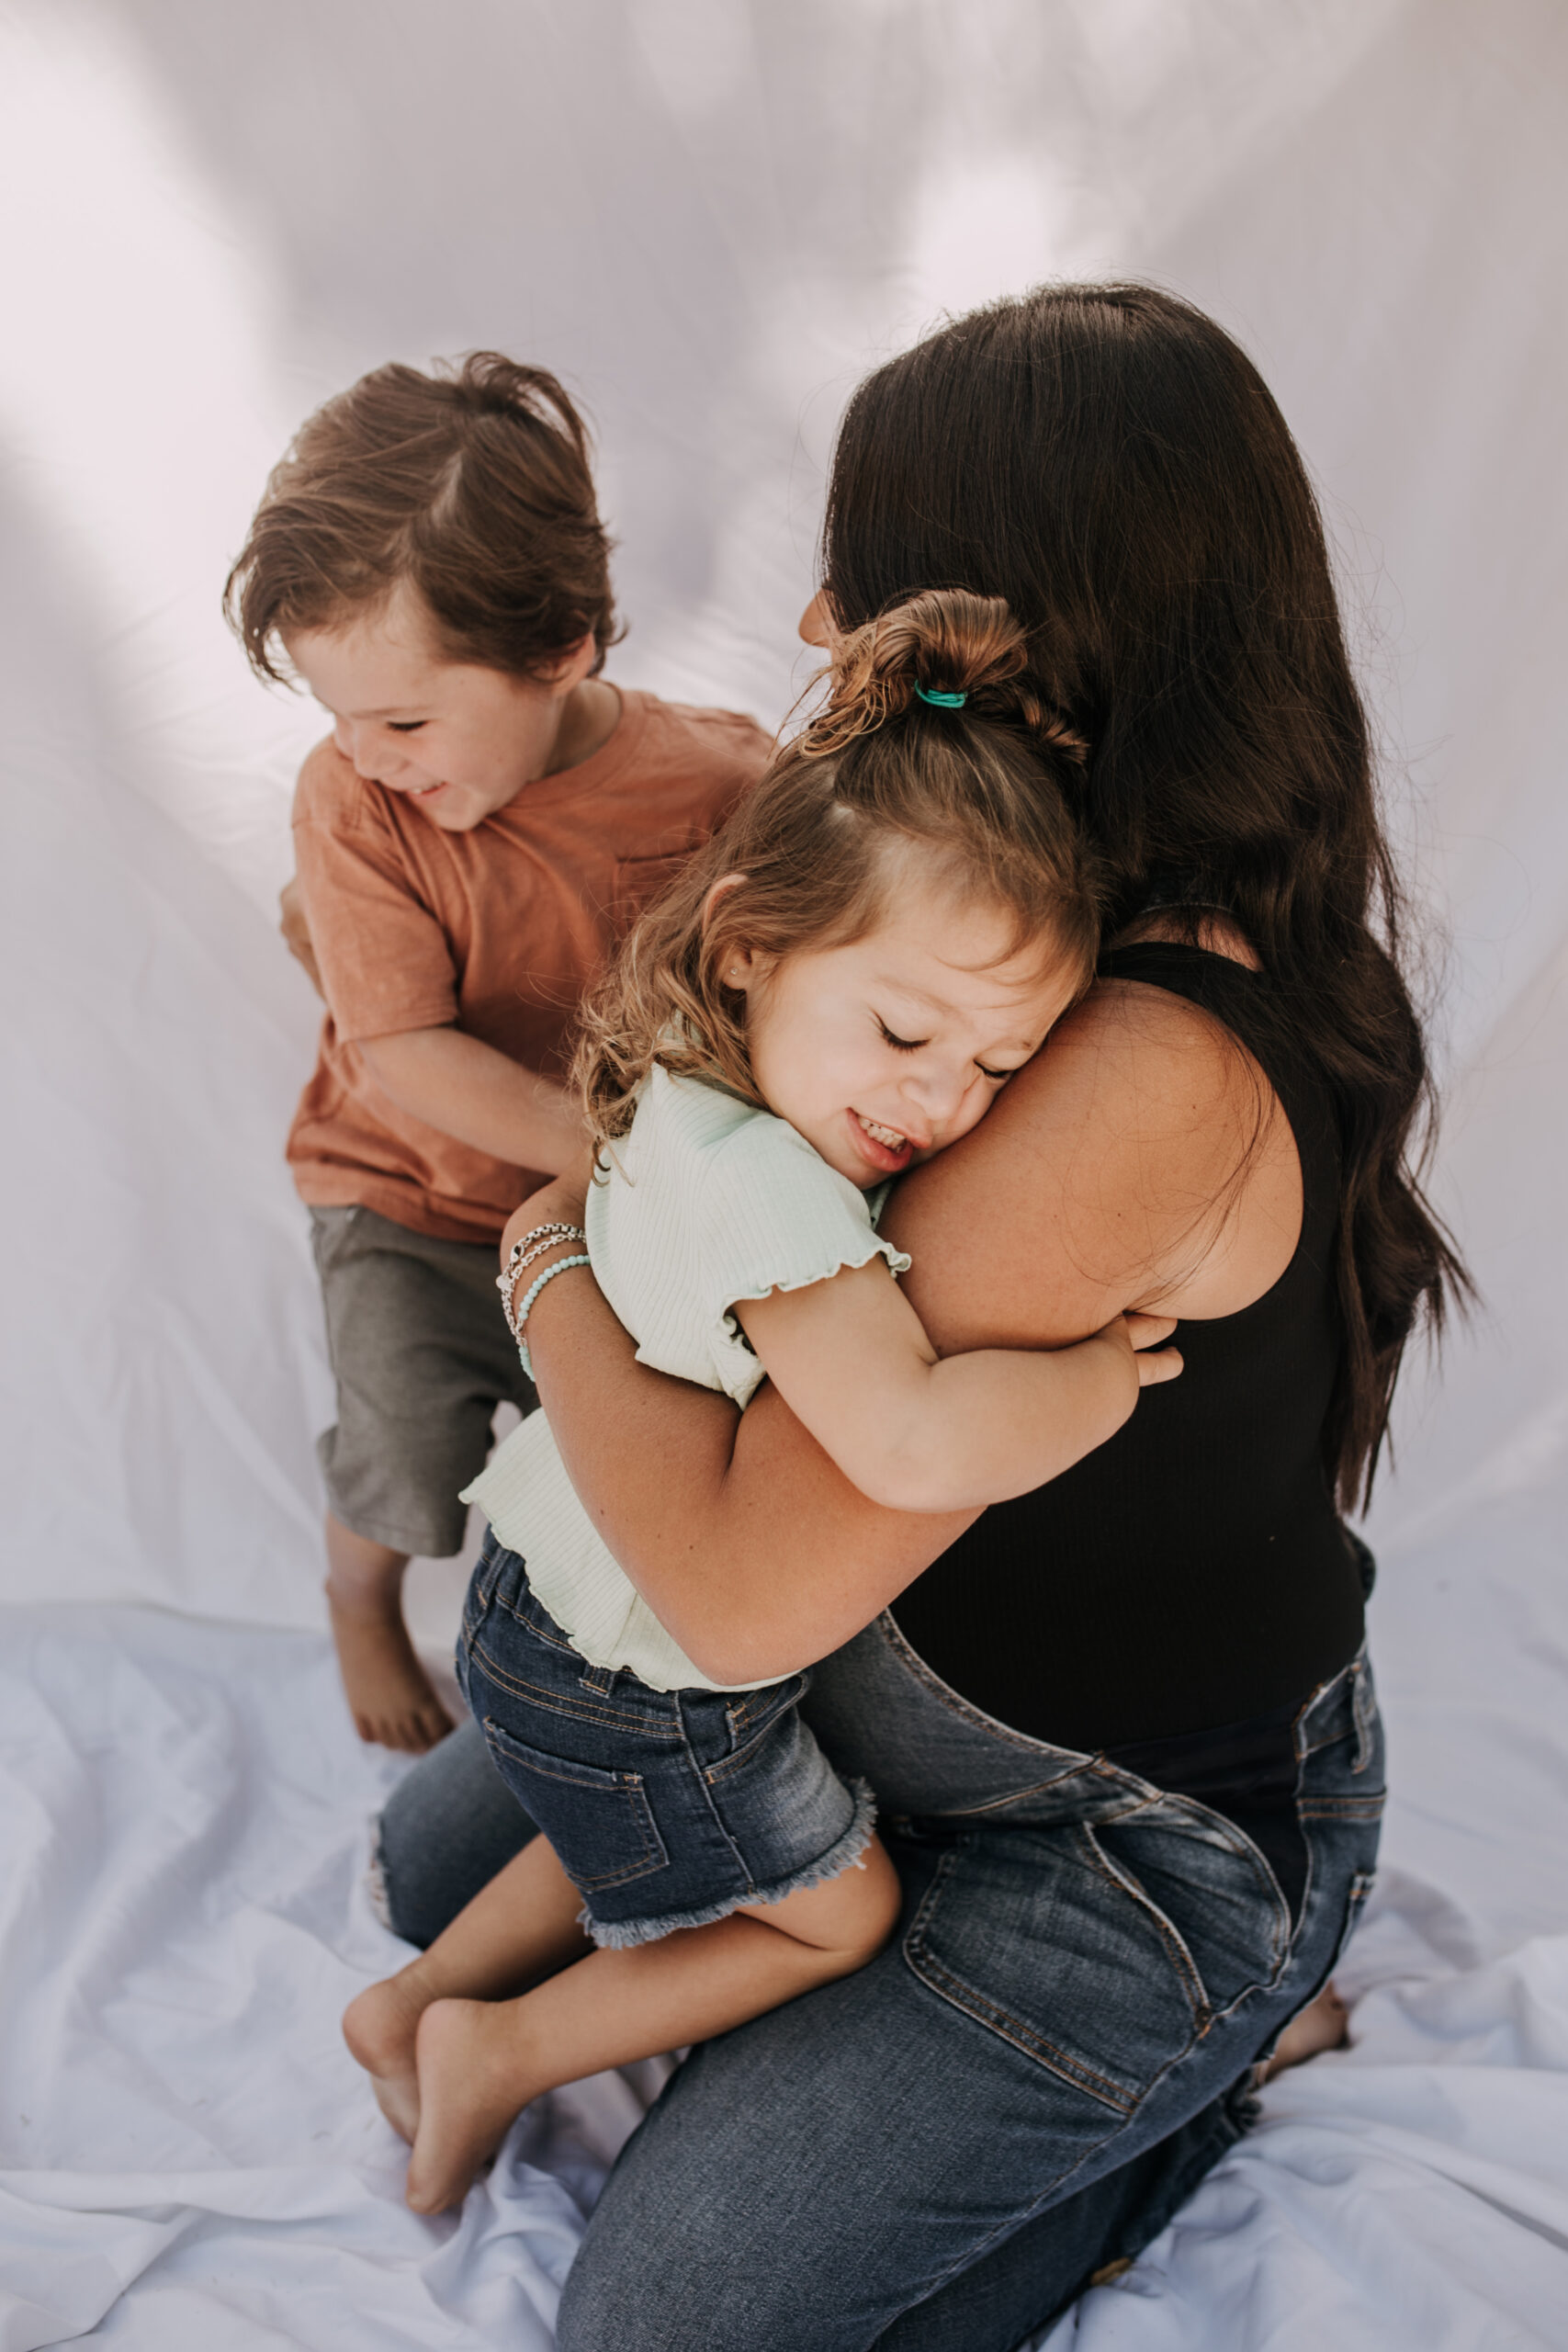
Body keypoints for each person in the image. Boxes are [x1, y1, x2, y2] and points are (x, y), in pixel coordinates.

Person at [369, 285, 1469, 2349]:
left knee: (667, 2322)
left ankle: (1184, 2065)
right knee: (442, 1889)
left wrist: (542, 1253)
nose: (812, 620)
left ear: (1037, 614)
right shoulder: (992, 916)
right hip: (884, 1702)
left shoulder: (1127, 1062)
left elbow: (727, 1595)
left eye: (867, 571)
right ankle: (886, 2034)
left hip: (1103, 1834)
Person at [341, 588, 1183, 2214]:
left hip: (550, 1595)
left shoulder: (697, 1086)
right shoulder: (788, 1216)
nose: (943, 1102)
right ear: (748, 941)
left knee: (626, 1835)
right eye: (907, 1030)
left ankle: (407, 1996)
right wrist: (1099, 1378)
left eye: (1000, 1070)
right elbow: (911, 1438)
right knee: (831, 1912)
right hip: (636, 1671)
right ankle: (493, 2054)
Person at [224, 354, 769, 1753]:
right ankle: (360, 1592)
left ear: (560, 652)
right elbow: (405, 1052)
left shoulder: (718, 784)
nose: (368, 753)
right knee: (406, 1454)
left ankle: (609, 1679)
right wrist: (615, 1154)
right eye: (336, 715)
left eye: (403, 719)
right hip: (407, 1197)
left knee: (622, 1469)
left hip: (603, 1226)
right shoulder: (354, 802)